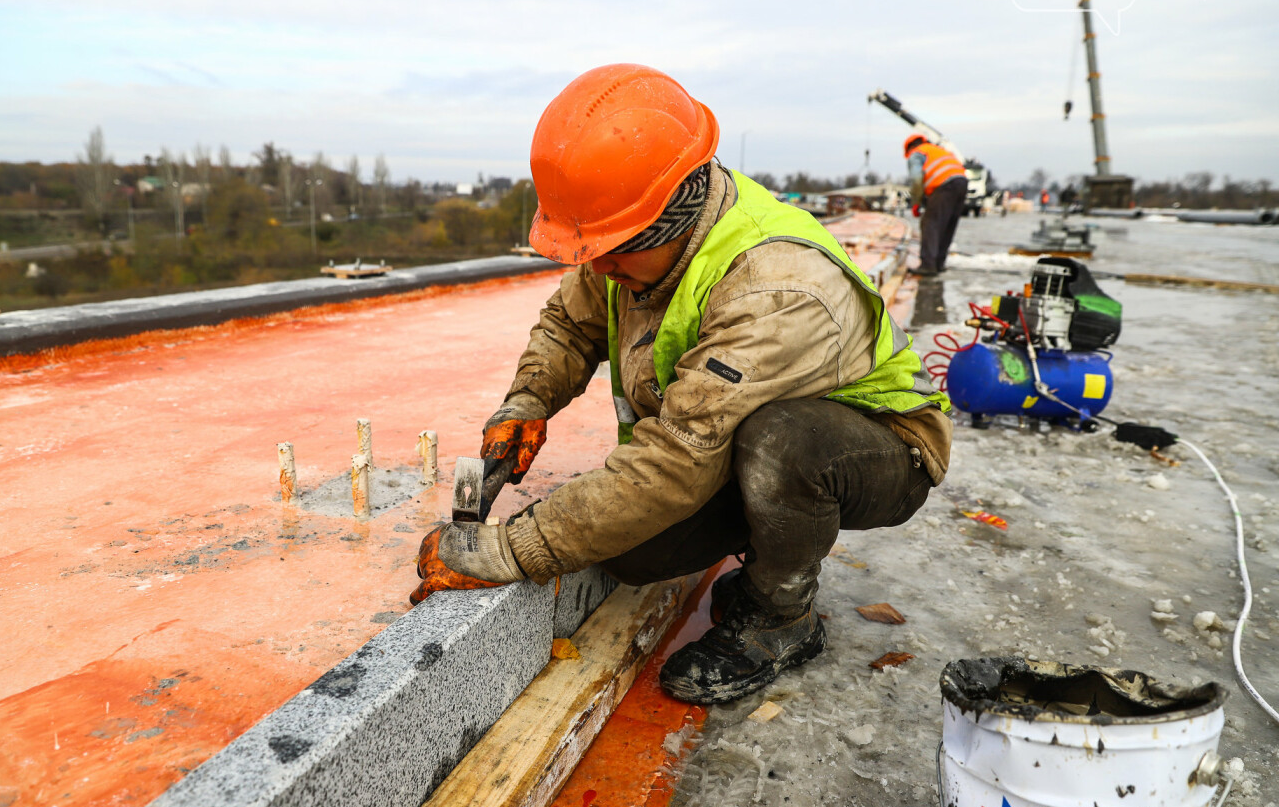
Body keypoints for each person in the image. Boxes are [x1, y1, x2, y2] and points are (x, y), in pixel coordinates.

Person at [413, 64, 952, 704]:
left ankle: (782, 617)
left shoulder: (775, 286)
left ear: (669, 218)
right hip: (731, 430)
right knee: (633, 554)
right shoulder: (627, 241)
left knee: (778, 444)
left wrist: (513, 548)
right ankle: (770, 532)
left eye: (611, 248)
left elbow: (675, 458)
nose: (600, 267)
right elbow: (569, 323)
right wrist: (528, 400)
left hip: (874, 448)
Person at [903, 134, 968, 276]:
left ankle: (928, 265)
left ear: (910, 148)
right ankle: (939, 263)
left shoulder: (917, 153)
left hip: (944, 186)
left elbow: (916, 179)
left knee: (930, 223)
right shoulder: (939, 150)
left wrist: (916, 202)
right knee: (947, 225)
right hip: (962, 183)